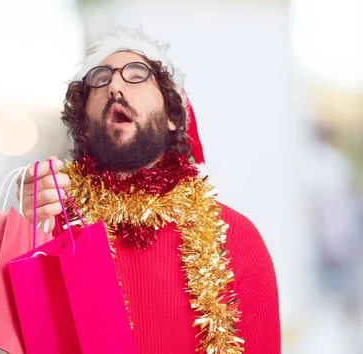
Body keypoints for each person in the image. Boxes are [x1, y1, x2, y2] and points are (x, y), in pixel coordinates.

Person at [17, 28, 280, 354]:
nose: (114, 85)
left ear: (173, 115)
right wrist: (23, 230)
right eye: (99, 79)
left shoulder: (236, 239)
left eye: (136, 75)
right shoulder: (49, 230)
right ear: (83, 123)